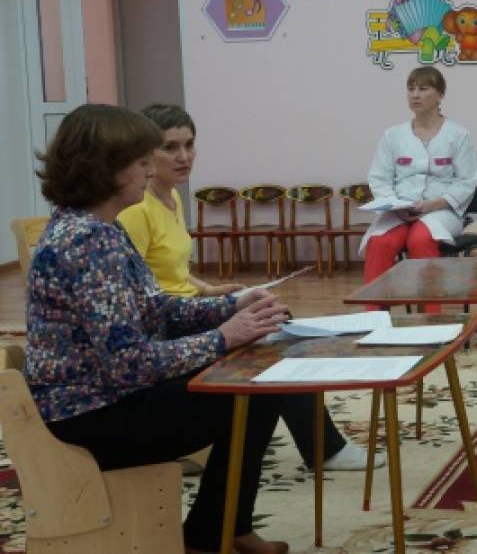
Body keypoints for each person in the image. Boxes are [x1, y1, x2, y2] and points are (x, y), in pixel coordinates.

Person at [25, 104, 289, 554]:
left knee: (253, 384)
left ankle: (219, 529)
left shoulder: (96, 228)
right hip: (88, 417)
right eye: (141, 161)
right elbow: (130, 363)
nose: (151, 171)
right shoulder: (88, 242)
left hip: (101, 400)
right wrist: (225, 336)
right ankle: (213, 534)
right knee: (252, 394)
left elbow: (156, 309)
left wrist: (232, 305)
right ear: (105, 168)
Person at [118, 104, 381, 472]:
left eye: (189, 145)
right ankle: (323, 448)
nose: (184, 157)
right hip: (168, 322)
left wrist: (207, 288)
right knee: (273, 338)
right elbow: (137, 287)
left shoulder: (172, 197)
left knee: (276, 319)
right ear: (146, 153)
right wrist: (211, 307)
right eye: (170, 147)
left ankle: (316, 442)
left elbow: (169, 266)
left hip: (191, 304)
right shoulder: (136, 209)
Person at [361, 67, 477, 285]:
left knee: (420, 239)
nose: (415, 95)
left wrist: (433, 204)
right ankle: (375, 306)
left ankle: (431, 306)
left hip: (442, 211)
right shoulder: (393, 135)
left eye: (423, 89)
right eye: (411, 89)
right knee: (379, 242)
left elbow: (467, 181)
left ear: (440, 95)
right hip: (398, 211)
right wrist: (395, 205)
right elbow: (379, 178)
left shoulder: (458, 135)